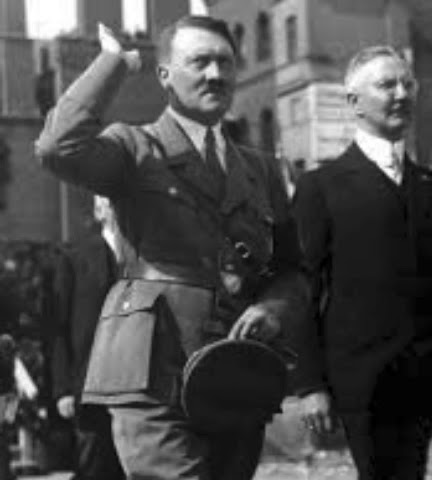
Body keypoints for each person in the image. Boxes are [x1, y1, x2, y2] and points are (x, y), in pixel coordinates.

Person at [36, 15, 308, 480]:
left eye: (225, 62)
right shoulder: (133, 147)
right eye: (199, 62)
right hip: (149, 361)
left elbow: (292, 270)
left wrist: (274, 309)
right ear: (164, 75)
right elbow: (57, 148)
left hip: (233, 363)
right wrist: (112, 64)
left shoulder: (261, 170)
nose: (215, 74)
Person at [291, 45, 432, 480]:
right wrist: (309, 384)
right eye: (386, 85)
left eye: (408, 84)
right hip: (359, 380)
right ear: (354, 101)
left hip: (426, 378)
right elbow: (303, 290)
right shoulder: (321, 187)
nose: (401, 94)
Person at [51, 196, 124, 480]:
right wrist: (62, 389)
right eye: (112, 203)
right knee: (93, 464)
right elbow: (58, 327)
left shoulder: (145, 257)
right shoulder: (74, 258)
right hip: (89, 385)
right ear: (99, 211)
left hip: (136, 384)